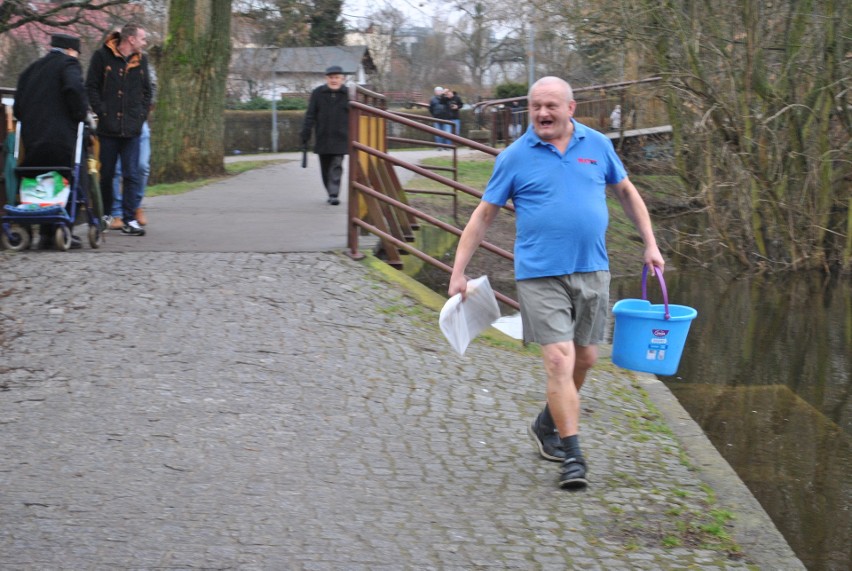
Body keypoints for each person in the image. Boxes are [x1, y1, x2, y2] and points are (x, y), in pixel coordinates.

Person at [447, 76, 665, 489]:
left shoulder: (598, 145)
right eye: (536, 107)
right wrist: (458, 271)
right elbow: (483, 215)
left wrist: (650, 245)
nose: (543, 114)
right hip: (539, 273)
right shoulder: (514, 156)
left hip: (592, 269)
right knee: (560, 360)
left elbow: (626, 193)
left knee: (586, 358)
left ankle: (547, 423)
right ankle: (574, 457)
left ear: (571, 108)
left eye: (551, 106)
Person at [13, 33, 90, 249]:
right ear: (71, 51)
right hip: (61, 143)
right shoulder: (69, 64)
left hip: (32, 145)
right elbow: (74, 89)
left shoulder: (30, 70)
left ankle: (38, 228)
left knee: (36, 178)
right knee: (76, 171)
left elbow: (18, 108)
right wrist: (80, 114)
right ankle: (60, 228)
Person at [85, 23, 152, 236]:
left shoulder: (142, 60)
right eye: (142, 38)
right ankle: (106, 214)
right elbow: (91, 86)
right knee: (107, 174)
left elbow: (147, 92)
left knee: (132, 174)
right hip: (108, 128)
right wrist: (102, 111)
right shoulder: (102, 57)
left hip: (132, 129)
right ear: (130, 39)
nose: (144, 42)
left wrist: (140, 117)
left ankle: (130, 218)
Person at [300, 65, 349, 206]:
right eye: (331, 77)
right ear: (326, 78)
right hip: (323, 137)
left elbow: (356, 116)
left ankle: (334, 194)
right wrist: (305, 133)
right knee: (325, 168)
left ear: (342, 79)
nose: (334, 80)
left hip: (341, 137)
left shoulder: (348, 94)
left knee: (336, 165)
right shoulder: (318, 93)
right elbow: (310, 115)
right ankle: (330, 191)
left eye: (337, 77)